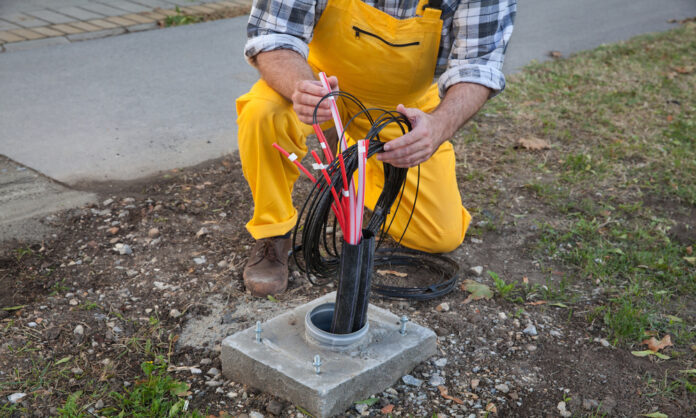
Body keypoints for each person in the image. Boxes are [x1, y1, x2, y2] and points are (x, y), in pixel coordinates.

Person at [237, 0, 517, 297]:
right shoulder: (309, 86)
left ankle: (350, 163)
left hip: (398, 106)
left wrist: (437, 128)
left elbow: (478, 66)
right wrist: (301, 88)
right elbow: (274, 34)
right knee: (263, 113)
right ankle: (272, 232)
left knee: (439, 235)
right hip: (319, 85)